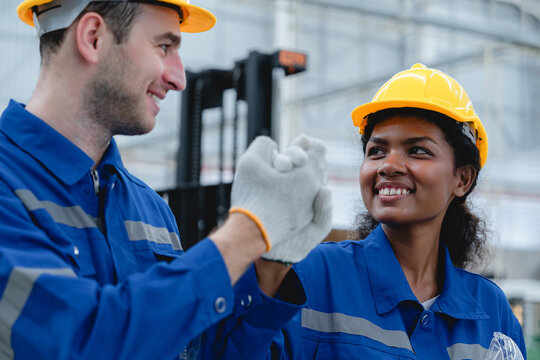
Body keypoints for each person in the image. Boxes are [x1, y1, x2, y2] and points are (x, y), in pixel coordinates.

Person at [0, 0, 332, 358]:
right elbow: (84, 342)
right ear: (93, 37)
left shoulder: (150, 209)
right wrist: (248, 230)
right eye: (164, 46)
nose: (179, 78)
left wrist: (269, 264)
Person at [205, 64, 526, 359]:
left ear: (462, 178)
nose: (389, 165)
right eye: (377, 151)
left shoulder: (491, 311)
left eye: (417, 150)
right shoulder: (312, 276)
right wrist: (259, 266)